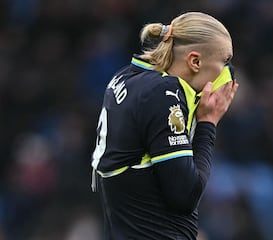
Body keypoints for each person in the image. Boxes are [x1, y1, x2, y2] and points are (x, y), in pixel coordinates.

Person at [90, 11, 238, 239]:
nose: (228, 73)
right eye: (225, 61)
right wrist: (208, 122)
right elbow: (185, 196)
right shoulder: (164, 94)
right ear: (195, 61)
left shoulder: (126, 77)